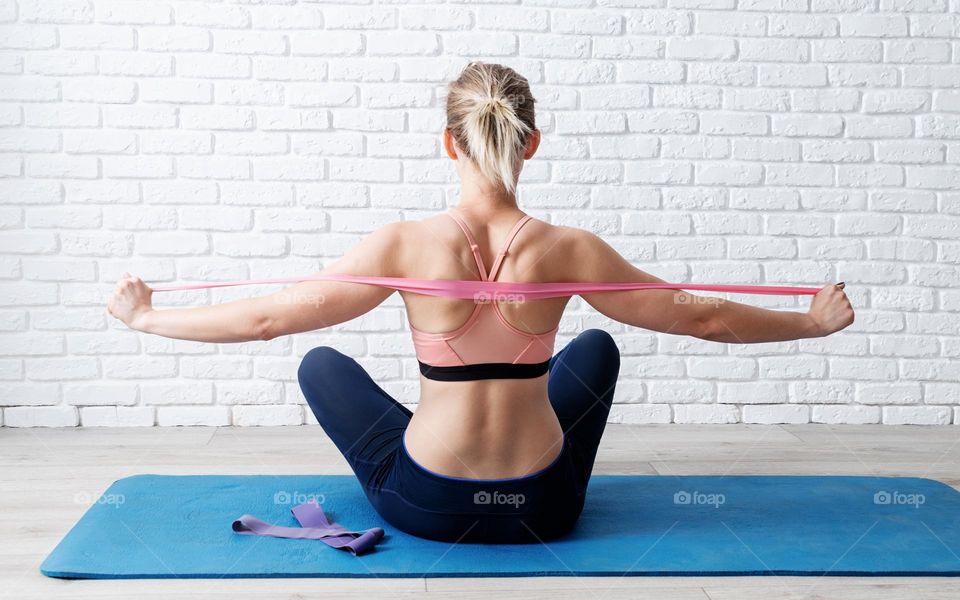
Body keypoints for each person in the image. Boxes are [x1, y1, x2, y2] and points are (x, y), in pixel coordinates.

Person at [107, 61, 854, 543]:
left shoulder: (404, 244)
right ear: (531, 143)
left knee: (322, 362)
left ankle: (432, 451)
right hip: (544, 511)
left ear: (448, 143)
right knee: (595, 347)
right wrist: (811, 323)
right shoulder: (571, 251)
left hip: (431, 506)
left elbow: (269, 318)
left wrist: (147, 318)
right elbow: (704, 315)